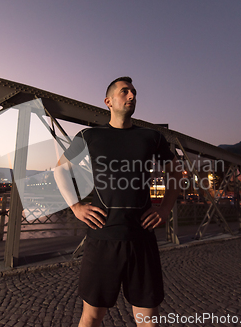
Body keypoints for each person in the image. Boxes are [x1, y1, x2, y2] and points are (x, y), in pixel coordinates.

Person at [54, 77, 182, 327]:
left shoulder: (151, 137)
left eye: (134, 92)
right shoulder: (89, 135)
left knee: (148, 319)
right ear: (108, 101)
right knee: (92, 316)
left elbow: (176, 172)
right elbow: (60, 169)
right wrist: (76, 206)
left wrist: (165, 207)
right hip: (103, 238)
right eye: (125, 92)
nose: (132, 96)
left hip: (141, 238)